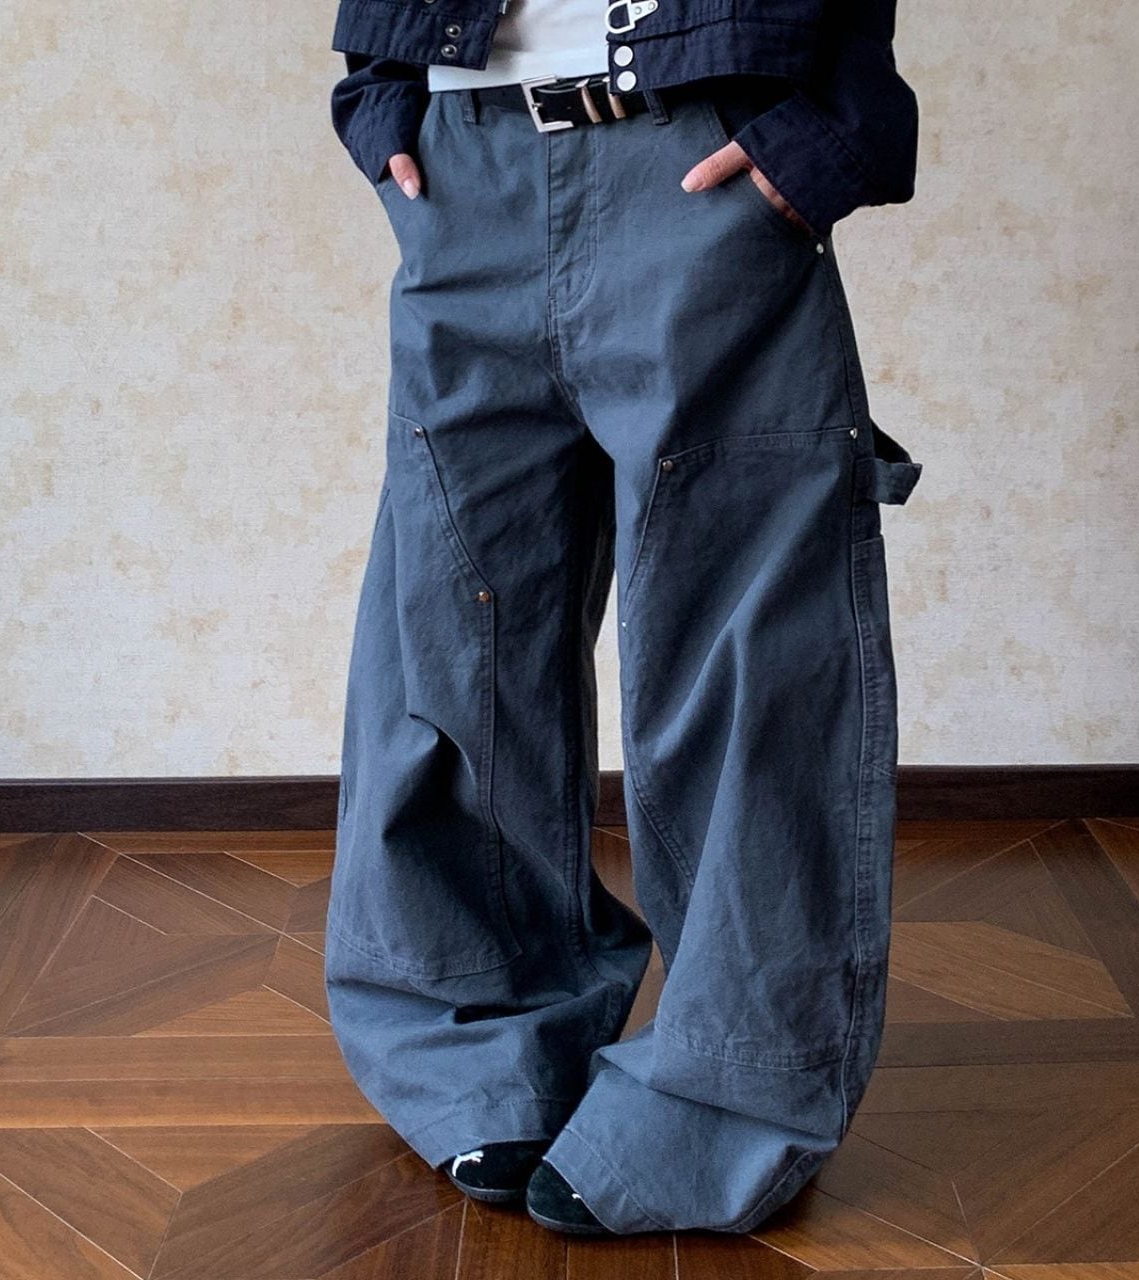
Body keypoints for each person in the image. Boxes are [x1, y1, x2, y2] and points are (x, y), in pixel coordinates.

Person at [322, 0, 925, 1237]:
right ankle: (478, 1044)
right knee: (453, 633)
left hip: (697, 152)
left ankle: (724, 1094)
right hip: (463, 146)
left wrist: (832, 127)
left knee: (740, 653)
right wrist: (380, 85)